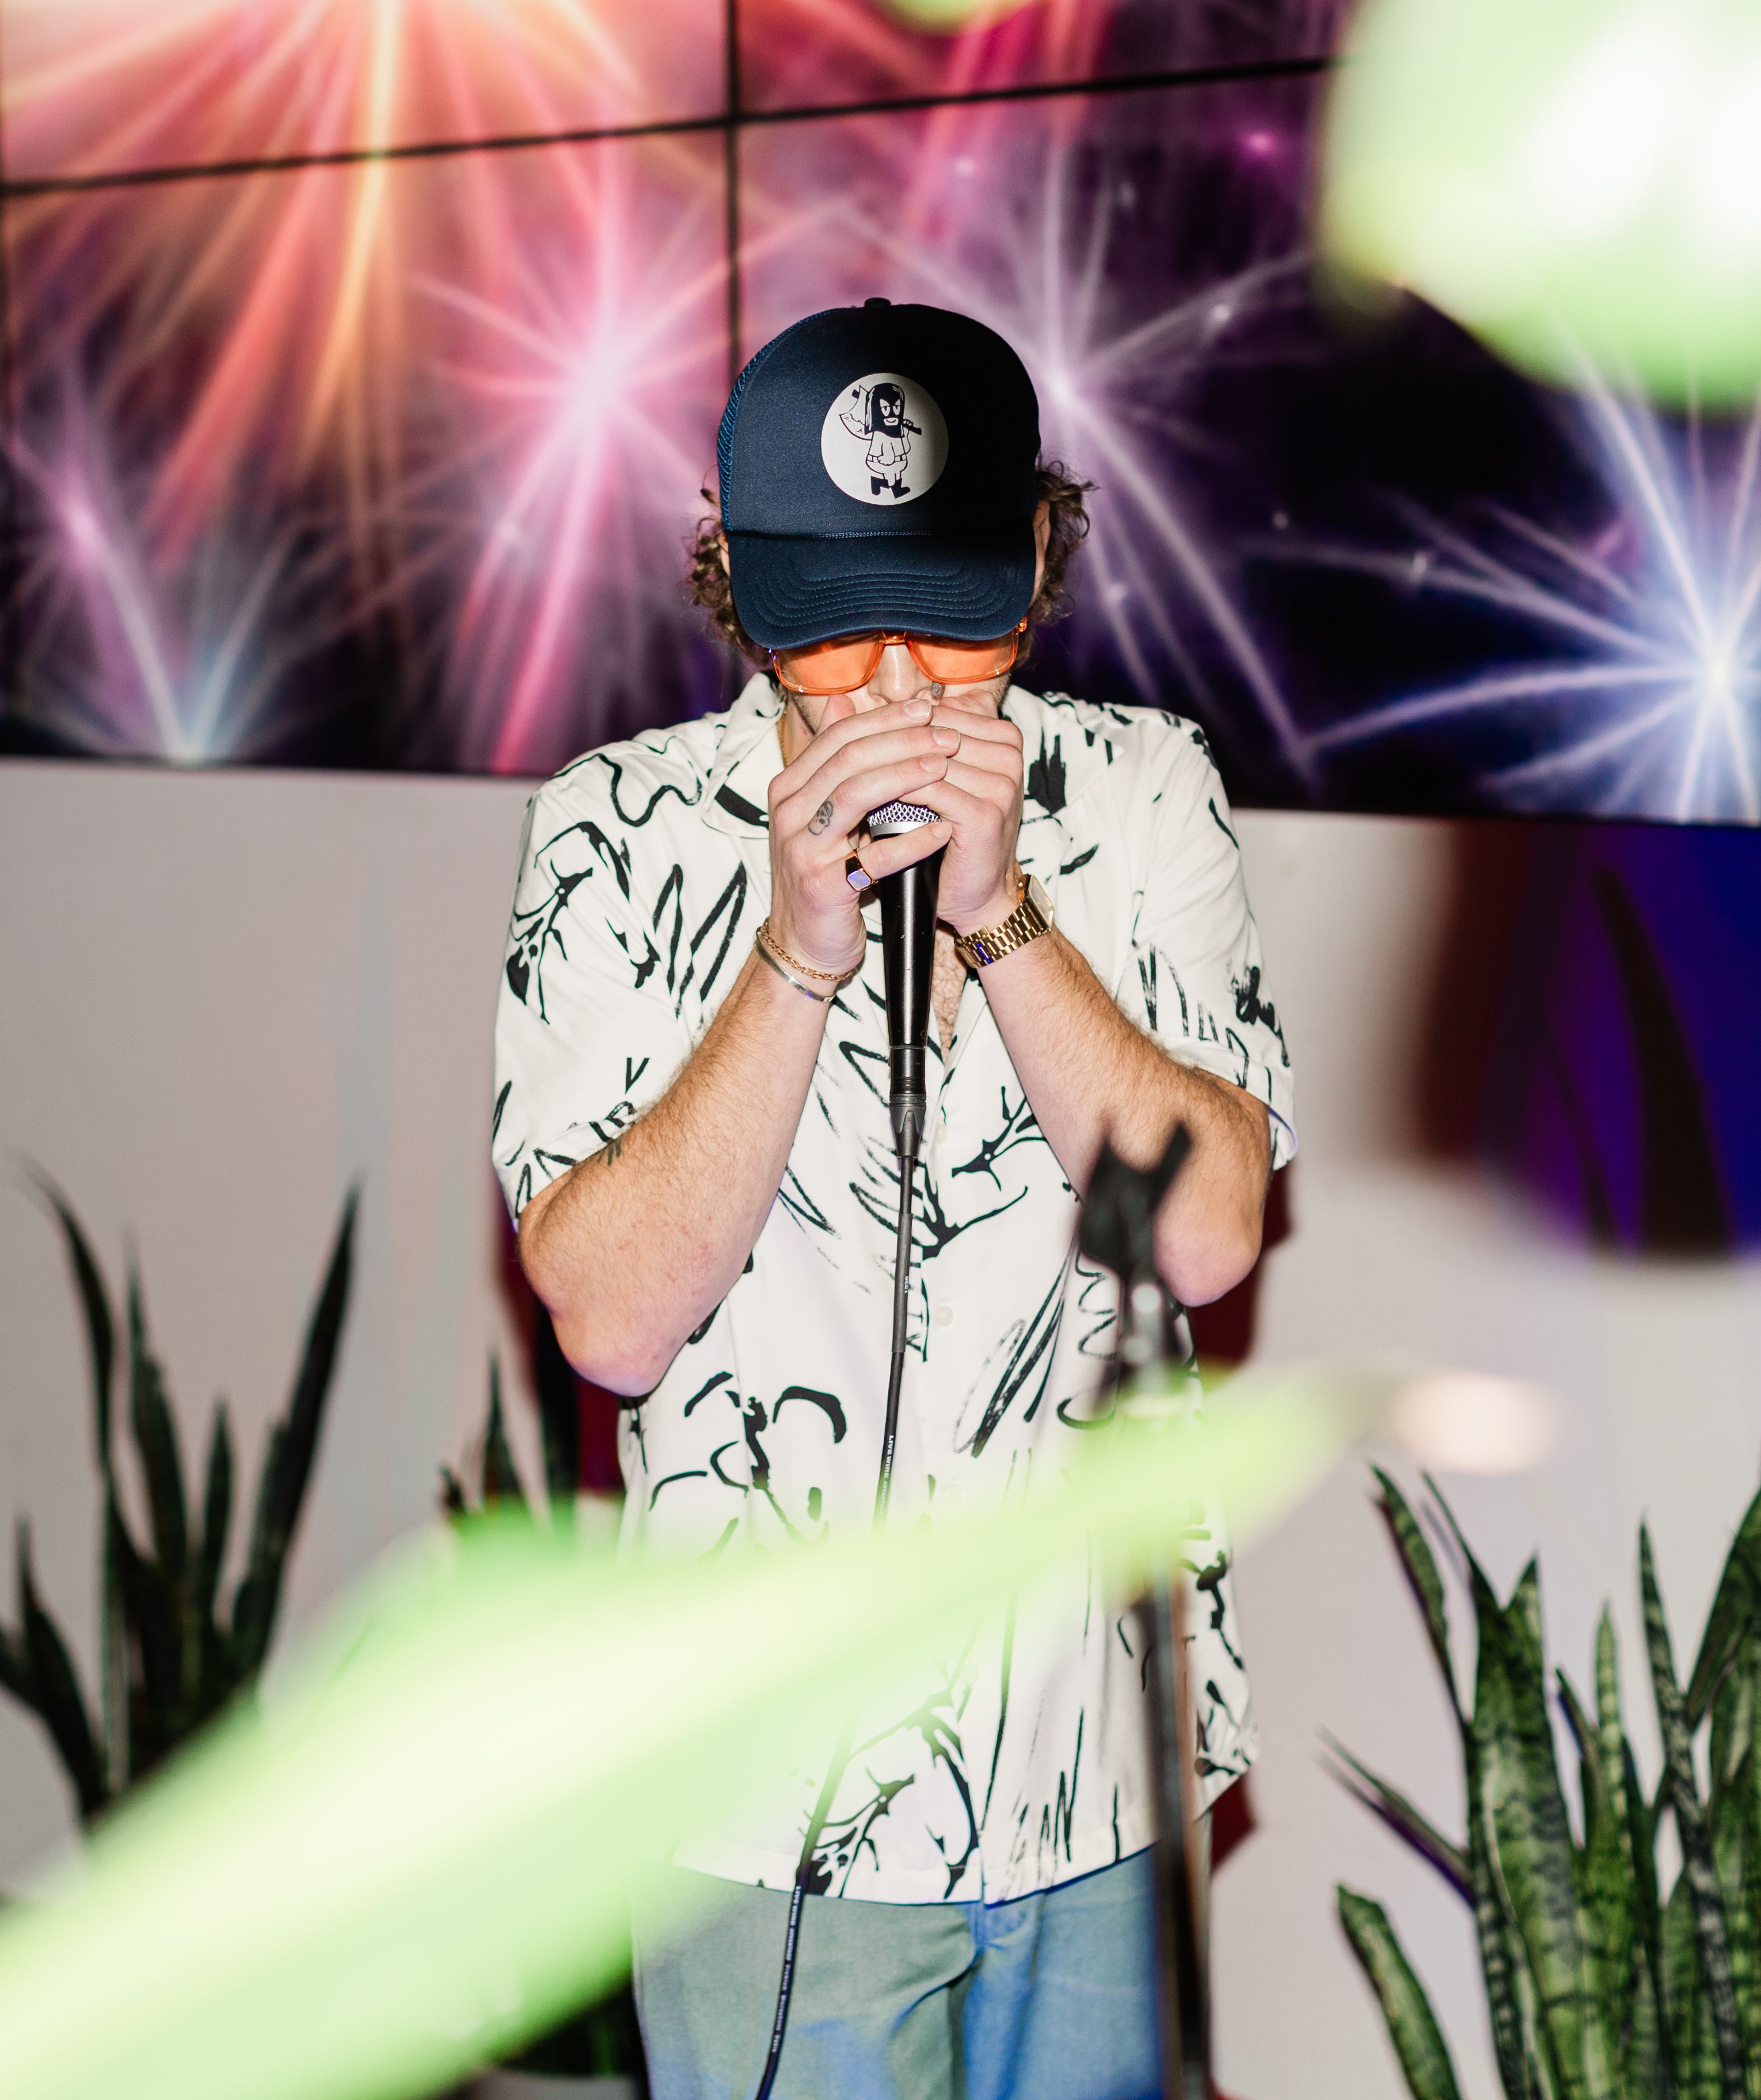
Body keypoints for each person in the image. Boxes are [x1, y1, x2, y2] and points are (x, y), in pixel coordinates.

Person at [492, 299, 1296, 2100]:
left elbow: (1209, 1238)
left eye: (949, 615)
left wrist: (1007, 918)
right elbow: (609, 1323)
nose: (902, 688)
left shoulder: (1144, 792)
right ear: (736, 580)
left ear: (1035, 560)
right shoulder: (613, 827)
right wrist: (793, 951)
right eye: (837, 628)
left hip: (1098, 1754)